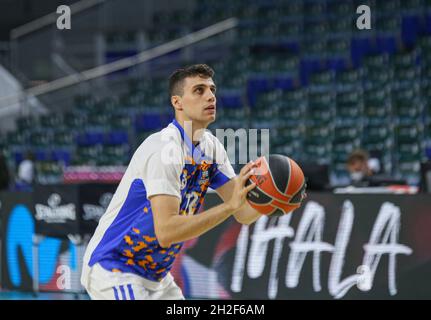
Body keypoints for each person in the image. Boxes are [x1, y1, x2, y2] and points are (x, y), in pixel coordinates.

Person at [81, 64, 306, 300]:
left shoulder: (211, 148)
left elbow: (243, 213)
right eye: (199, 90)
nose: (210, 96)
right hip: (114, 267)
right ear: (177, 102)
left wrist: (279, 200)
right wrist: (229, 206)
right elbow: (166, 232)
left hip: (155, 277)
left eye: (212, 89)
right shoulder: (163, 149)